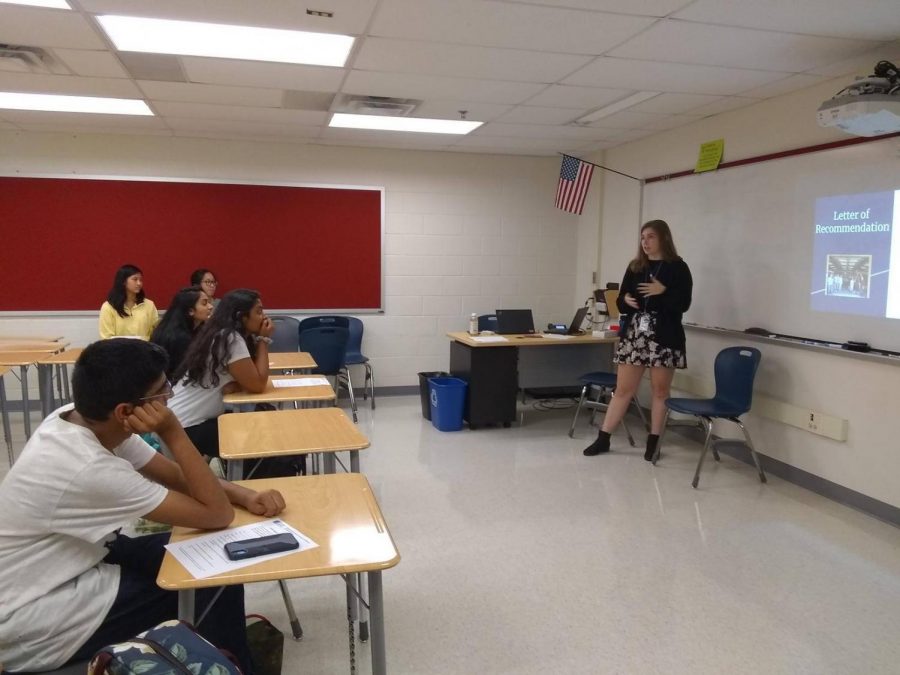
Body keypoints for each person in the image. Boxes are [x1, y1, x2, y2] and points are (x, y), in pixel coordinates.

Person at [0, 338, 286, 673]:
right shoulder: (88, 468)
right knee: (211, 582)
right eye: (162, 392)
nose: (169, 398)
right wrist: (173, 432)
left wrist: (244, 495)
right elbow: (216, 514)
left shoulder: (75, 418)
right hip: (35, 613)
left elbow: (172, 474)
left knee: (212, 557)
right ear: (125, 412)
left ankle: (226, 661)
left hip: (75, 558)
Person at [584, 219, 693, 461]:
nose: (645, 242)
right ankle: (603, 438)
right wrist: (627, 302)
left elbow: (683, 304)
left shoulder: (678, 268)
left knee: (660, 390)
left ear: (663, 238)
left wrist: (662, 292)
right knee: (623, 389)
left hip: (664, 337)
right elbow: (621, 300)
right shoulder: (636, 267)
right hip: (636, 334)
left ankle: (654, 441)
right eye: (643, 237)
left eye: (650, 237)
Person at [168, 289, 274, 461]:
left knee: (255, 427)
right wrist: (263, 340)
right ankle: (245, 481)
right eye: (258, 311)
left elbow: (249, 378)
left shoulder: (220, 332)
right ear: (242, 316)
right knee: (259, 439)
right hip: (187, 427)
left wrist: (239, 384)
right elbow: (258, 385)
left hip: (179, 419)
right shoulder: (230, 339)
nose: (264, 317)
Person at [150, 286, 214, 379]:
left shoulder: (195, 330)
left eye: (209, 302)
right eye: (204, 303)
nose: (210, 307)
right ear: (190, 311)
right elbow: (184, 373)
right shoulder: (179, 338)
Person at [99, 264, 159, 339]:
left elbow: (157, 332)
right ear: (123, 281)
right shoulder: (108, 307)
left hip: (144, 349)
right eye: (135, 279)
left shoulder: (149, 305)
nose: (139, 283)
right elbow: (106, 338)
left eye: (140, 280)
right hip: (118, 350)